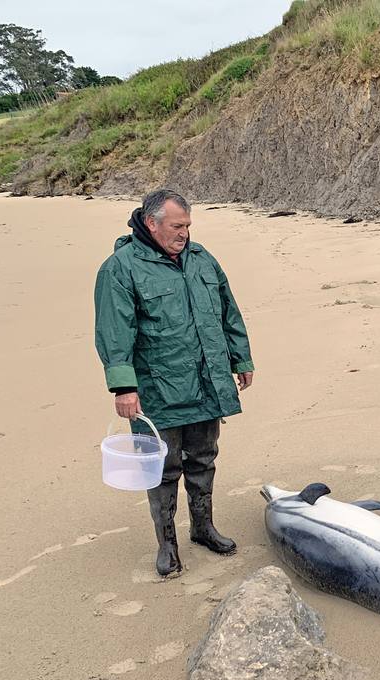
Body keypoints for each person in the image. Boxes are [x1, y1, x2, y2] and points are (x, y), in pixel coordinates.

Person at [94, 189, 255, 577]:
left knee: (203, 458)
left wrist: (241, 358)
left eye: (187, 226)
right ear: (152, 223)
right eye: (177, 226)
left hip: (206, 382)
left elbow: (228, 312)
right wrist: (123, 387)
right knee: (162, 470)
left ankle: (203, 528)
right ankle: (167, 544)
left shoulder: (201, 259)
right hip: (157, 390)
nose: (184, 233)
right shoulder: (120, 268)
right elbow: (114, 332)